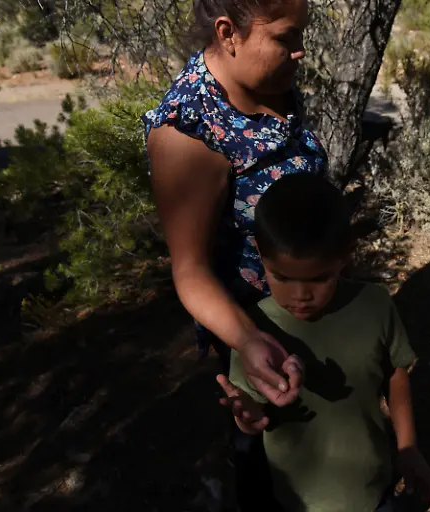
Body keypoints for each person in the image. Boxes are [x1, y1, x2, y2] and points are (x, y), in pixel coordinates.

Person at [141, 0, 326, 508]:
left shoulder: (268, 81)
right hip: (262, 341)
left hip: (313, 308)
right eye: (286, 38)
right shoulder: (188, 133)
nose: (300, 51)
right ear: (228, 33)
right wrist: (249, 340)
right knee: (271, 466)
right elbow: (191, 271)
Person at [216, 173, 430, 511]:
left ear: (345, 255)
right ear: (261, 255)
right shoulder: (253, 329)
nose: (300, 295)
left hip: (370, 488)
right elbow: (251, 409)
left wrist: (408, 447)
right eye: (281, 277)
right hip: (291, 498)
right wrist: (246, 417)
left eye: (319, 278)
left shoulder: (375, 305)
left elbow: (396, 375)